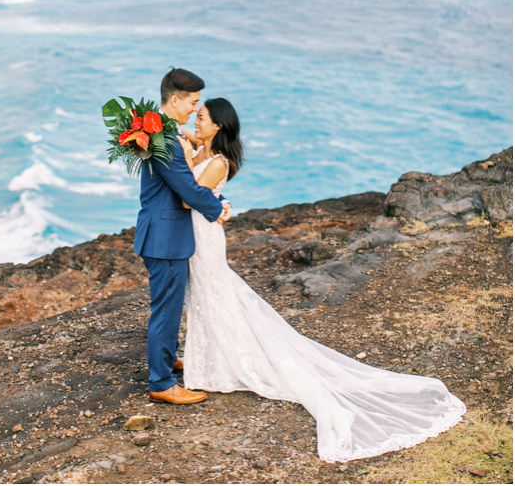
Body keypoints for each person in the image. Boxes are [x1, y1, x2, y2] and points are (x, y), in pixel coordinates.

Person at [181, 97, 466, 461]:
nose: (197, 121)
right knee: (208, 296)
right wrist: (185, 139)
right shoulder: (207, 152)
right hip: (199, 235)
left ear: (218, 125)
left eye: (202, 117)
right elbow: (192, 166)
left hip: (204, 237)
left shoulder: (218, 163)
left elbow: (190, 195)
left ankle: (224, 361)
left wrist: (185, 151)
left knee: (215, 294)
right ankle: (212, 356)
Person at [133, 68, 230, 405]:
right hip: (166, 235)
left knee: (170, 304)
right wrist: (217, 207)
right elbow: (186, 188)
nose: (194, 109)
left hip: (161, 230)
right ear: (174, 100)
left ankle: (167, 357)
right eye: (192, 102)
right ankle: (161, 382)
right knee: (167, 309)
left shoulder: (162, 131)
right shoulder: (164, 140)